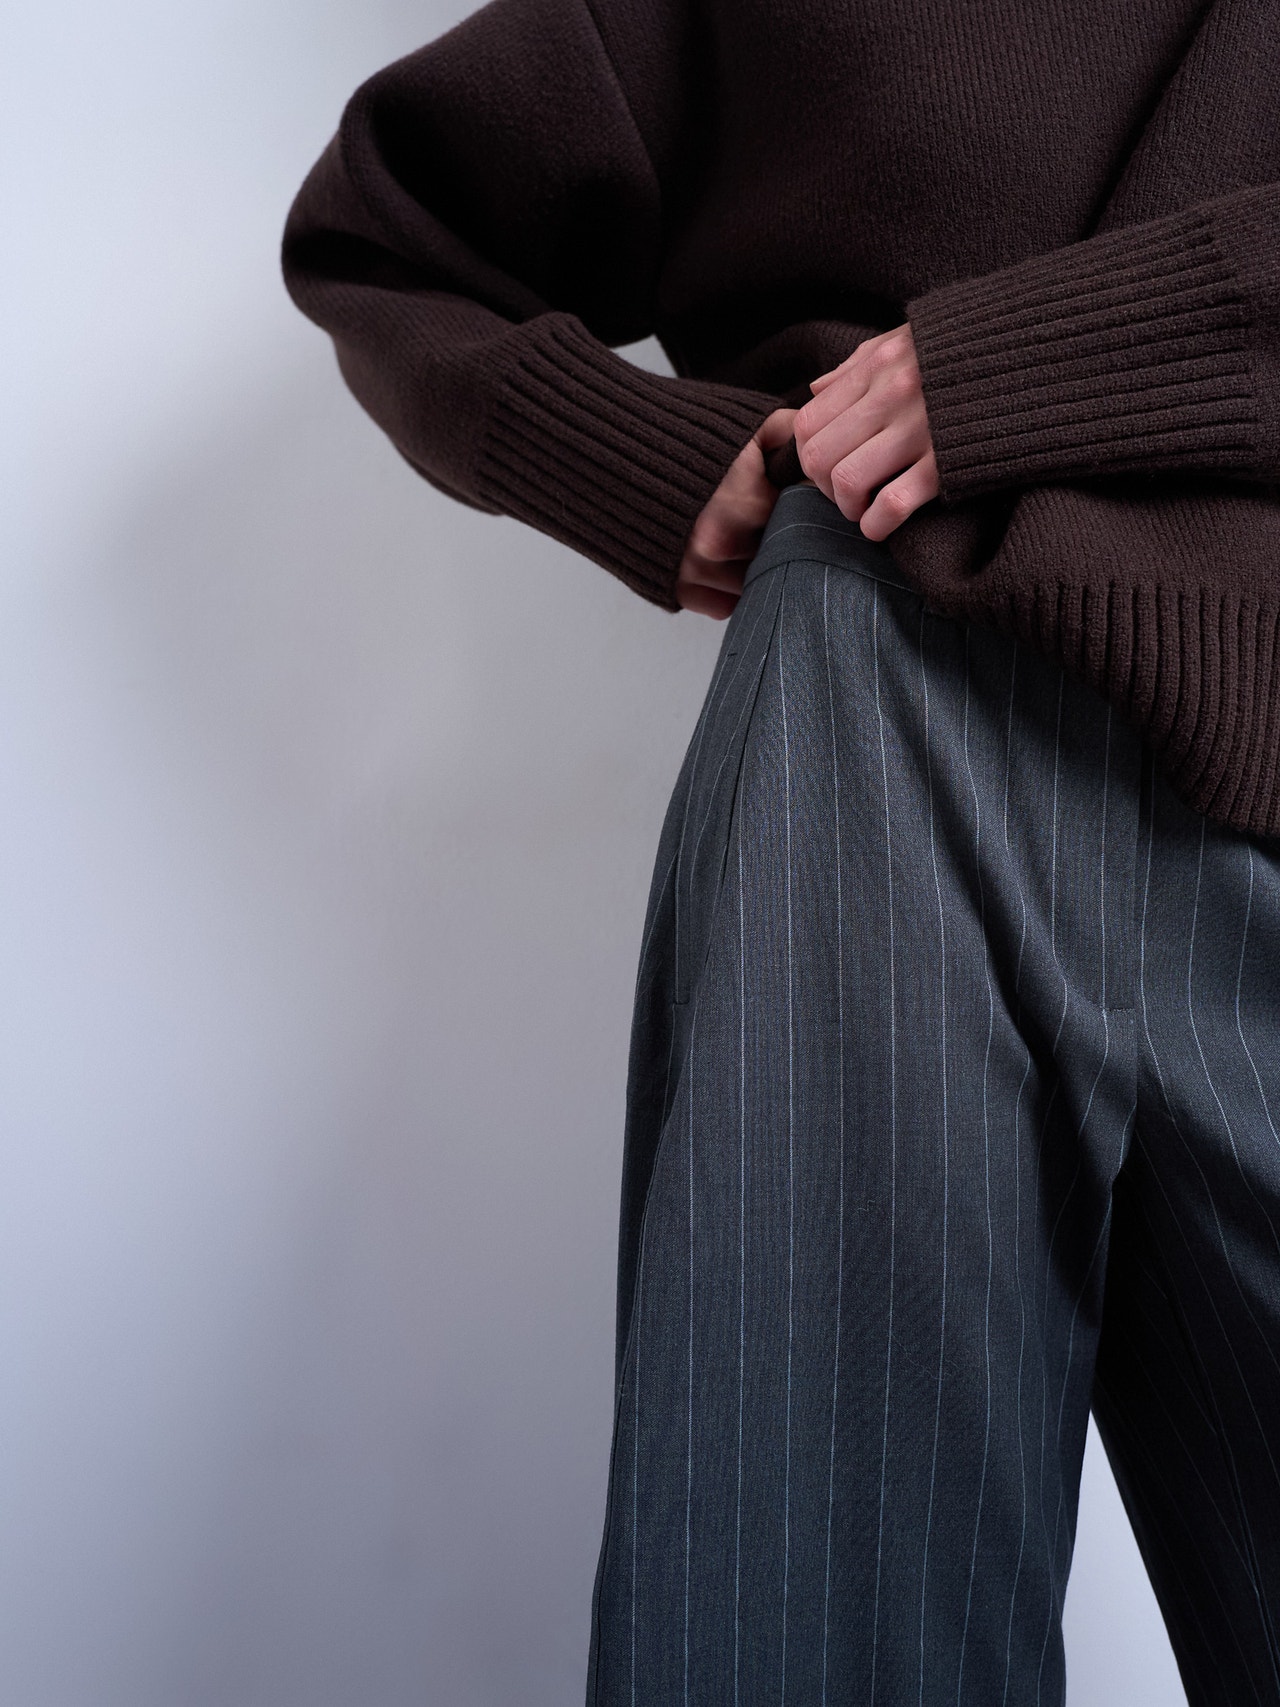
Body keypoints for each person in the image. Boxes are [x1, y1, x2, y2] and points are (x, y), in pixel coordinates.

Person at [281, 2, 1280, 1700]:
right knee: (808, 1629)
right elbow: (385, 232)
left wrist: (1032, 363)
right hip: (876, 739)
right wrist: (648, 463)